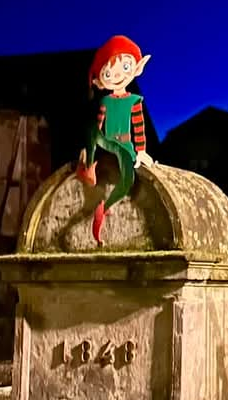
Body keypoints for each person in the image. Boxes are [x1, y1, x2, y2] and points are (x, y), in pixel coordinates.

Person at [75, 35, 156, 245]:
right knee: (92, 129)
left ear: (137, 69)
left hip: (125, 145)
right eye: (109, 73)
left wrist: (141, 151)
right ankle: (88, 167)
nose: (118, 75)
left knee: (127, 181)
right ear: (101, 81)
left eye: (125, 67)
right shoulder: (105, 100)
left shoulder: (134, 101)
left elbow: (139, 126)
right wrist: (90, 148)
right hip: (106, 142)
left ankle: (105, 208)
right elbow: (98, 124)